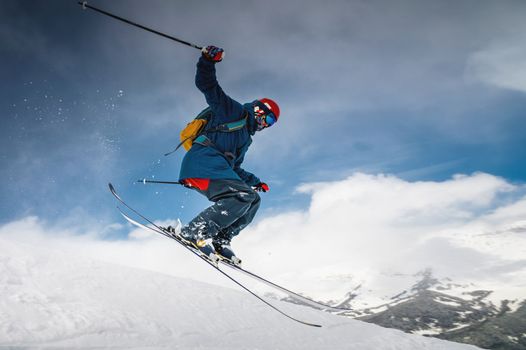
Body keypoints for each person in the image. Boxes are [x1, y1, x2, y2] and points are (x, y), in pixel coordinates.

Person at [167, 45, 280, 265]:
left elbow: (234, 168)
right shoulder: (233, 111)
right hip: (202, 163)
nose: (266, 125)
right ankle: (195, 232)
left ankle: (221, 239)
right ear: (259, 110)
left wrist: (256, 182)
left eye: (271, 124)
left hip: (216, 168)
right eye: (268, 119)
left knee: (252, 198)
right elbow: (207, 85)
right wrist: (207, 60)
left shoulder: (245, 138)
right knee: (242, 195)